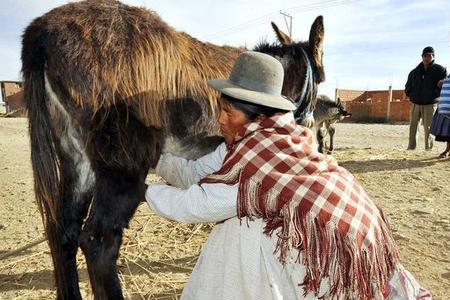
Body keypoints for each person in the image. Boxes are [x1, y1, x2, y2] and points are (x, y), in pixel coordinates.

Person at [145, 51, 431, 299]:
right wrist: (151, 160)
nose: (219, 120)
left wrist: (142, 192)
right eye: (220, 109)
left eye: (228, 112)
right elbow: (196, 172)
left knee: (239, 231)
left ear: (256, 117)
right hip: (353, 234)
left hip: (338, 250)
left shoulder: (260, 154)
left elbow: (198, 204)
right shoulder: (264, 138)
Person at [405, 46, 447, 150]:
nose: (426, 58)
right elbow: (408, 86)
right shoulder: (414, 72)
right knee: (413, 127)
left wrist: (433, 96)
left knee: (429, 128)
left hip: (430, 104)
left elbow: (443, 86)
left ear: (433, 56)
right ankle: (411, 148)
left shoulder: (440, 70)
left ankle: (428, 149)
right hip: (415, 104)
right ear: (422, 56)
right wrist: (410, 95)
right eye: (425, 55)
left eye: (429, 55)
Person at [430, 76, 450, 157]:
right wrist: (442, 83)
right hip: (446, 105)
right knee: (447, 131)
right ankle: (447, 149)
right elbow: (440, 85)